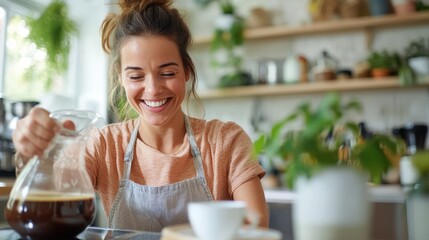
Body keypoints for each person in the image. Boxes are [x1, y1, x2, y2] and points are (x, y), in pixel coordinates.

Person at [12, 0, 268, 232]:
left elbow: (255, 227)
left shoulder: (226, 141)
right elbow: (54, 193)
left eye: (167, 73)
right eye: (136, 76)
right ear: (120, 77)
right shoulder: (104, 145)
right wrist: (35, 149)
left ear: (187, 71)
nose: (153, 89)